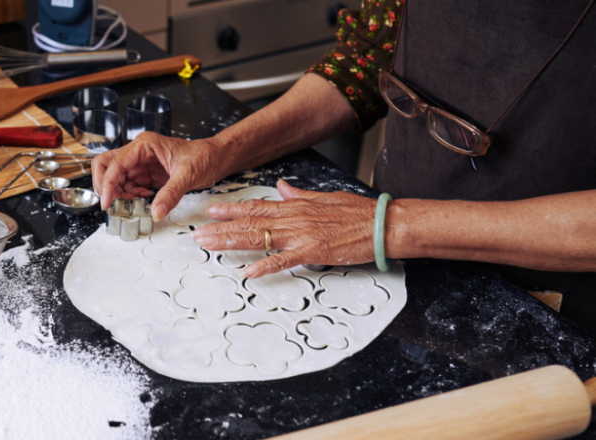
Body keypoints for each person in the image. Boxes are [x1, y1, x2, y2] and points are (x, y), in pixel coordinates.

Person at [92, 0, 596, 334]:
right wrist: (221, 151)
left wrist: (389, 224)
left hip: (546, 302)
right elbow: (368, 55)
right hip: (388, 252)